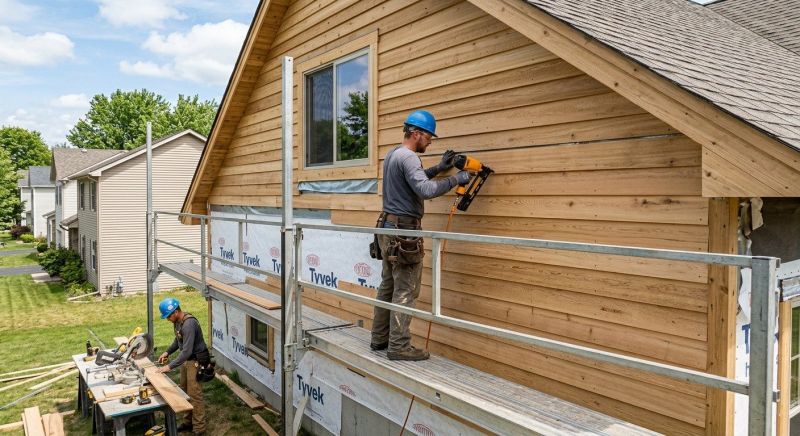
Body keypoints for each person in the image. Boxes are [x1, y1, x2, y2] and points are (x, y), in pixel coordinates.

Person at [370, 110, 472, 361]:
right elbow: (424, 190)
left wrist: (439, 168)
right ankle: (399, 346)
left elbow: (412, 183)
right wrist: (456, 178)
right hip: (404, 233)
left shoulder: (394, 154)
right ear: (416, 133)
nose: (430, 141)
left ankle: (380, 339)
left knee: (388, 286)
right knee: (406, 289)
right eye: (429, 136)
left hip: (387, 228)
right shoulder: (410, 158)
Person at [157, 297, 208, 435]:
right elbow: (178, 340)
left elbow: (186, 351)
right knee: (184, 392)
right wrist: (167, 352)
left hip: (195, 361)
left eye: (168, 316)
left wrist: (169, 367)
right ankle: (188, 422)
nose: (168, 319)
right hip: (186, 361)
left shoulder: (189, 324)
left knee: (195, 395)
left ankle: (199, 428)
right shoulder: (178, 322)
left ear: (175, 312)